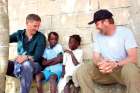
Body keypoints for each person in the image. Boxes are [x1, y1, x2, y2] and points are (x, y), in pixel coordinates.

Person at [73, 9, 140, 93]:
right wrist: (101, 63)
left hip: (121, 71)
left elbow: (133, 58)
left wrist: (115, 64)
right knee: (82, 70)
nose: (96, 27)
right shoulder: (98, 36)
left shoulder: (125, 32)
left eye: (97, 24)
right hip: (104, 72)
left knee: (131, 69)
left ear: (106, 22)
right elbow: (96, 57)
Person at [6, 14, 46, 93]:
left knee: (26, 64)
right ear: (27, 24)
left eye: (38, 26)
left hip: (35, 65)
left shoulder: (40, 37)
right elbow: (5, 39)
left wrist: (26, 57)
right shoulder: (19, 34)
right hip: (19, 64)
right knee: (3, 64)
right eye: (35, 26)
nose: (37, 28)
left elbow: (37, 57)